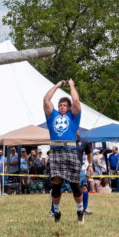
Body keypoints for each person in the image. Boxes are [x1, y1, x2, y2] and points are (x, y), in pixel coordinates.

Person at [44, 78, 83, 223]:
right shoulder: (52, 115)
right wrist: (58, 85)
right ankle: (57, 213)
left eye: (65, 105)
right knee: (56, 184)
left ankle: (80, 211)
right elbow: (46, 99)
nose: (62, 107)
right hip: (55, 152)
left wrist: (72, 85)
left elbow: (77, 102)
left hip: (70, 151)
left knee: (74, 184)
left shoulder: (73, 117)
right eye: (60, 105)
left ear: (69, 107)